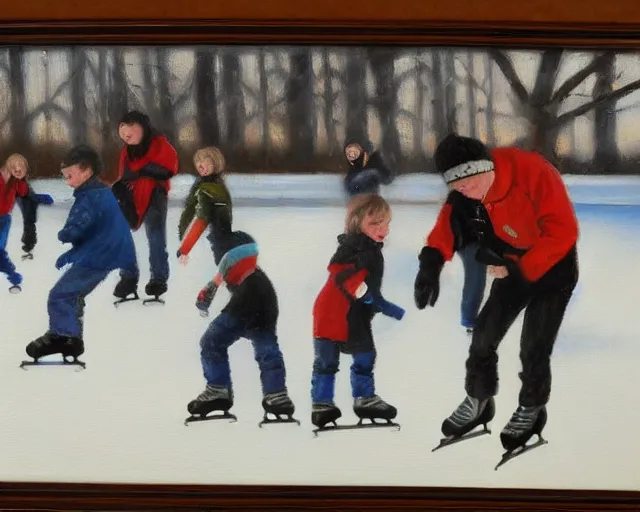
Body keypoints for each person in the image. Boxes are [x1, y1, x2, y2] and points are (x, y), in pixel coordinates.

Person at [413, 133, 579, 453]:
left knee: (533, 346)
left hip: (553, 268)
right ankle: (478, 399)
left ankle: (531, 407)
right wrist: (430, 266)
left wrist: (520, 272)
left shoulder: (533, 172)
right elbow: (447, 226)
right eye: (459, 188)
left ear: (486, 166)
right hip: (511, 265)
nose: (469, 192)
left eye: (473, 184)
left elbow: (563, 230)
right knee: (483, 337)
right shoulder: (465, 191)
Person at [24, 145, 137, 364]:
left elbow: (79, 225)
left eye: (70, 176)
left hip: (99, 258)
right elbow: (102, 229)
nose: (67, 181)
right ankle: (72, 339)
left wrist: (67, 234)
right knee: (73, 294)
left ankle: (62, 336)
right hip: (104, 253)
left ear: (86, 172)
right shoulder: (102, 193)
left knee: (60, 294)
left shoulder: (90, 198)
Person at [310, 194, 405, 429]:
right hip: (334, 312)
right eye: (375, 223)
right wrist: (366, 295)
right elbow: (340, 271)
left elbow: (370, 289)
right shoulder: (354, 246)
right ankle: (322, 405)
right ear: (356, 223)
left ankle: (364, 399)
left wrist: (383, 305)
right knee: (327, 360)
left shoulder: (371, 248)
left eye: (386, 223)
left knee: (365, 356)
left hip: (354, 313)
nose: (383, 229)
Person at [185, 229, 296, 422]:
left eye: (213, 247)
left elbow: (223, 271)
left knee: (212, 341)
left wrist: (206, 296)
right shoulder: (231, 258)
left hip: (246, 299)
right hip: (264, 297)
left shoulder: (230, 252)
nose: (213, 252)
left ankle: (218, 390)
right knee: (266, 347)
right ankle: (276, 394)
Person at [111, 110, 179, 303]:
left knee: (155, 237)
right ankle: (128, 277)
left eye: (130, 129)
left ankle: (158, 279)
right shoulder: (126, 152)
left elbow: (169, 169)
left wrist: (143, 171)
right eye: (122, 130)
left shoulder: (159, 144)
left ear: (143, 127)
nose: (126, 134)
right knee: (121, 233)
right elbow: (124, 176)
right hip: (131, 196)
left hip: (154, 195)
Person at [434, 190, 488, 335]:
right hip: (469, 241)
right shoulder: (458, 196)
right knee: (476, 276)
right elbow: (448, 222)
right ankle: (469, 320)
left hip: (487, 239)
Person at [0, 153, 53, 293]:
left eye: (22, 167)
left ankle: (13, 277)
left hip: (4, 219)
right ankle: (13, 277)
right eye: (16, 165)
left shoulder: (16, 182)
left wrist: (21, 178)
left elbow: (24, 193)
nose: (18, 169)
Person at [176, 146, 232, 263]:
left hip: (214, 244)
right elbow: (190, 208)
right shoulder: (202, 184)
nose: (200, 165)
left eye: (206, 161)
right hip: (210, 242)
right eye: (198, 161)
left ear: (215, 164)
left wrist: (185, 248)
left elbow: (202, 220)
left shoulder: (210, 190)